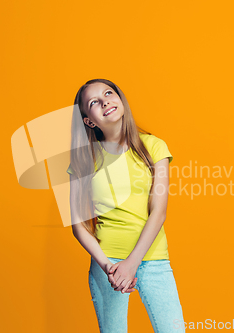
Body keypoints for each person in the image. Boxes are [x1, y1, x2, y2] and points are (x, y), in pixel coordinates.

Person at [67, 78, 185, 333]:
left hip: (152, 258)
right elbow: (77, 226)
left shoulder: (153, 146)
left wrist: (131, 263)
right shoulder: (82, 160)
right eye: (94, 102)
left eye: (109, 93)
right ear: (89, 120)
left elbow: (159, 211)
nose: (105, 101)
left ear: (120, 99)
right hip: (106, 262)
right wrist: (108, 266)